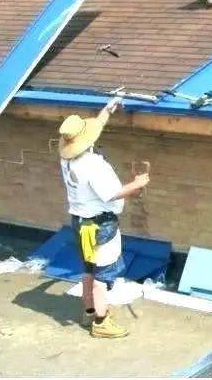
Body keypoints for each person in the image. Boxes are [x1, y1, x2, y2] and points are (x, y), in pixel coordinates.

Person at [57, 97, 150, 339]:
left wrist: (107, 110)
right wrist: (137, 184)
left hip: (80, 223)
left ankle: (89, 312)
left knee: (88, 270)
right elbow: (111, 194)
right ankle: (101, 322)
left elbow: (93, 130)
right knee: (102, 276)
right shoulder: (93, 165)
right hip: (101, 225)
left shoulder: (67, 159)